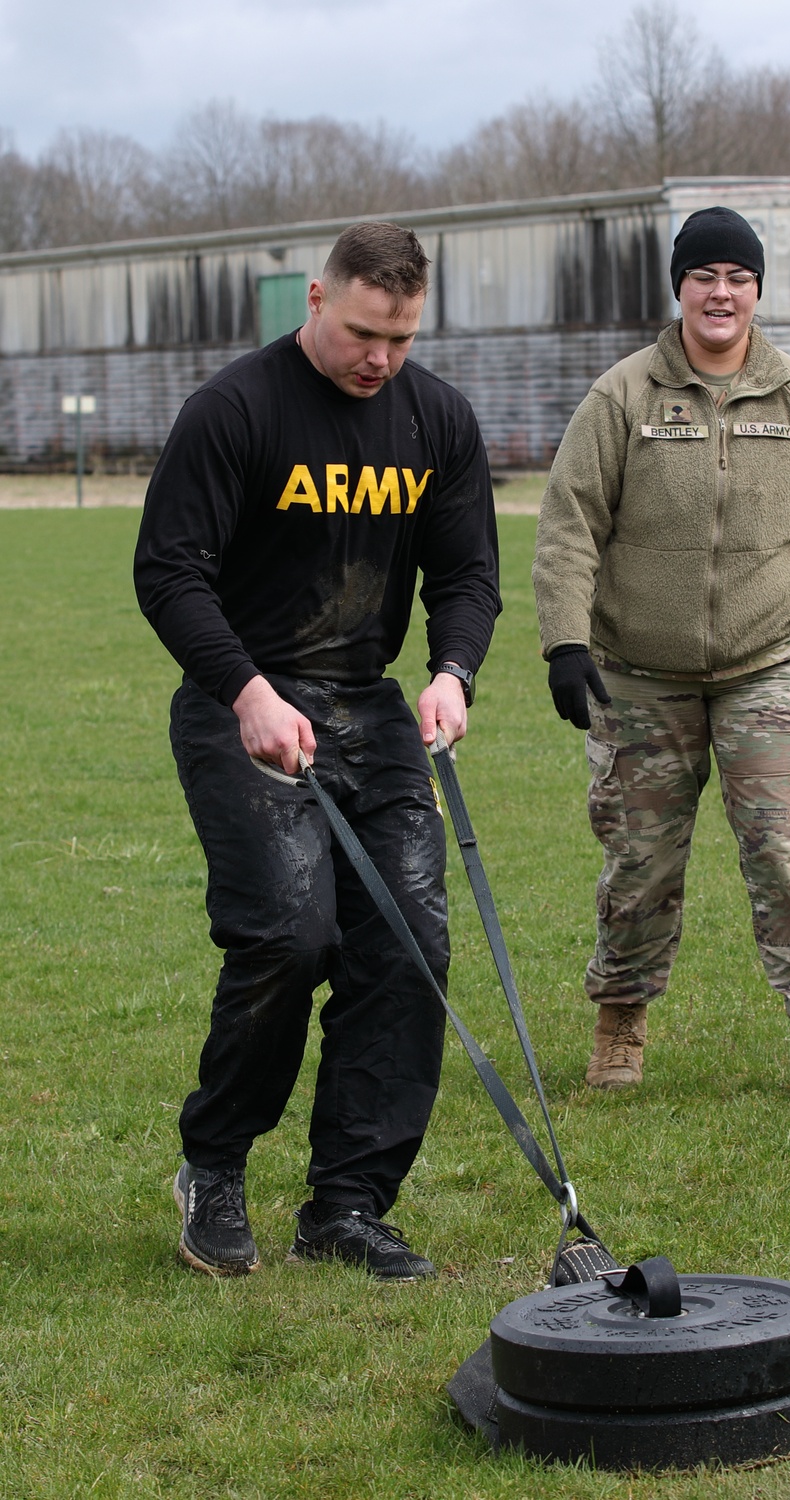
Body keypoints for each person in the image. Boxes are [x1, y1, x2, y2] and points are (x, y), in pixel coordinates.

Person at [135, 221, 500, 1280]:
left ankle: (346, 1206)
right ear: (314, 298)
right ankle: (214, 1166)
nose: (378, 359)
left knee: (409, 948)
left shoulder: (437, 420)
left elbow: (467, 573)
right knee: (290, 938)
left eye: (399, 338)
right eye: (359, 333)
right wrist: (244, 689)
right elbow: (169, 573)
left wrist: (452, 672)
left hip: (369, 709)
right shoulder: (234, 412)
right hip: (239, 700)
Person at [532, 206, 790, 1103]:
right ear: (680, 287)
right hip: (640, 673)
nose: (722, 293)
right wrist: (565, 642)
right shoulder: (623, 397)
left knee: (786, 847)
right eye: (705, 275)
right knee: (639, 858)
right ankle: (619, 1022)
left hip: (768, 662)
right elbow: (568, 526)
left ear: (757, 291)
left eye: (739, 277)